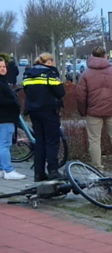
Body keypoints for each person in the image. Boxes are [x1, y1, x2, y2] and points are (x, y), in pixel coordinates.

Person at [77, 47, 112, 176]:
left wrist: (83, 112)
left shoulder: (86, 74)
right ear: (105, 56)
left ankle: (97, 170)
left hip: (93, 112)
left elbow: (81, 96)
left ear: (92, 56)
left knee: (94, 140)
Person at [22, 53, 65, 182]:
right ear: (50, 62)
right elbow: (60, 92)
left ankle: (38, 173)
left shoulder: (27, 74)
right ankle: (53, 171)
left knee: (39, 142)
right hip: (49, 111)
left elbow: (26, 91)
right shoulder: (50, 73)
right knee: (52, 141)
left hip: (34, 112)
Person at [0, 57, 26, 180]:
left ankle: (1, 169)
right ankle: (8, 170)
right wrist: (13, 102)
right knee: (4, 144)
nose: (3, 69)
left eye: (4, 66)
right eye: (0, 67)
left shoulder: (3, 81)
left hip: (5, 117)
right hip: (5, 117)